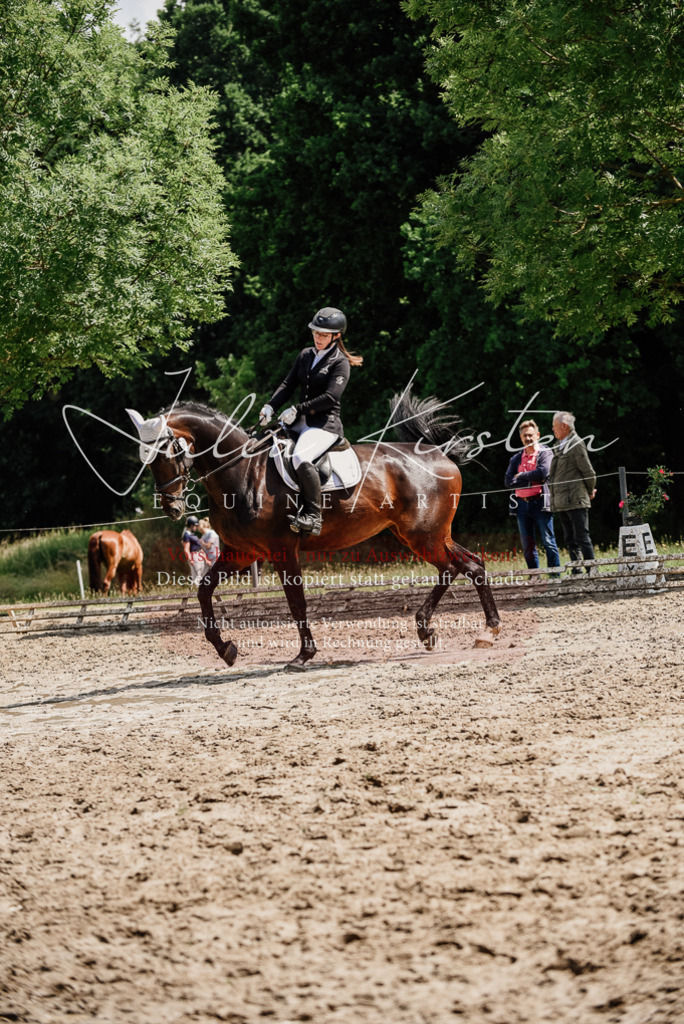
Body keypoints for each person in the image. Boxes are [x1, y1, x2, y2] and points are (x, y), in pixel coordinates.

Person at [258, 306, 362, 536]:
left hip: (324, 426)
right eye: (316, 333)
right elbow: (288, 384)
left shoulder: (340, 362)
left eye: (323, 334)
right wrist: (270, 406)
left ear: (336, 336)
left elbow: (331, 397)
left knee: (299, 456)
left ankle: (313, 517)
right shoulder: (306, 355)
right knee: (261, 442)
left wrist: (298, 408)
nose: (318, 338)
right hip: (298, 423)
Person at [505, 419, 560, 574]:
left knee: (548, 542)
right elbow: (508, 481)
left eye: (530, 435)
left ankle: (555, 576)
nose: (528, 438)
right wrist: (531, 479)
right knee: (527, 545)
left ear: (538, 435)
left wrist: (521, 476)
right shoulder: (516, 458)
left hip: (541, 502)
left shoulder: (545, 453)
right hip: (521, 505)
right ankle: (534, 577)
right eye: (525, 436)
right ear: (521, 437)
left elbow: (543, 473)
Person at [548, 411, 597, 574]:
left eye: (555, 426)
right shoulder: (558, 444)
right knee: (570, 539)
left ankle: (592, 570)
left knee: (582, 537)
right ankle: (576, 570)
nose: (553, 429)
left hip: (576, 499)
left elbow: (588, 471)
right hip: (563, 501)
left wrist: (589, 491)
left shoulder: (576, 443)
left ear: (564, 426)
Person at [181, 515, 204, 584]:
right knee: (197, 575)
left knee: (200, 574)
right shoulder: (186, 535)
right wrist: (190, 559)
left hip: (199, 555)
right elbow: (186, 549)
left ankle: (198, 588)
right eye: (196, 526)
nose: (197, 527)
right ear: (191, 526)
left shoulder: (192, 534)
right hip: (194, 556)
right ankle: (197, 588)